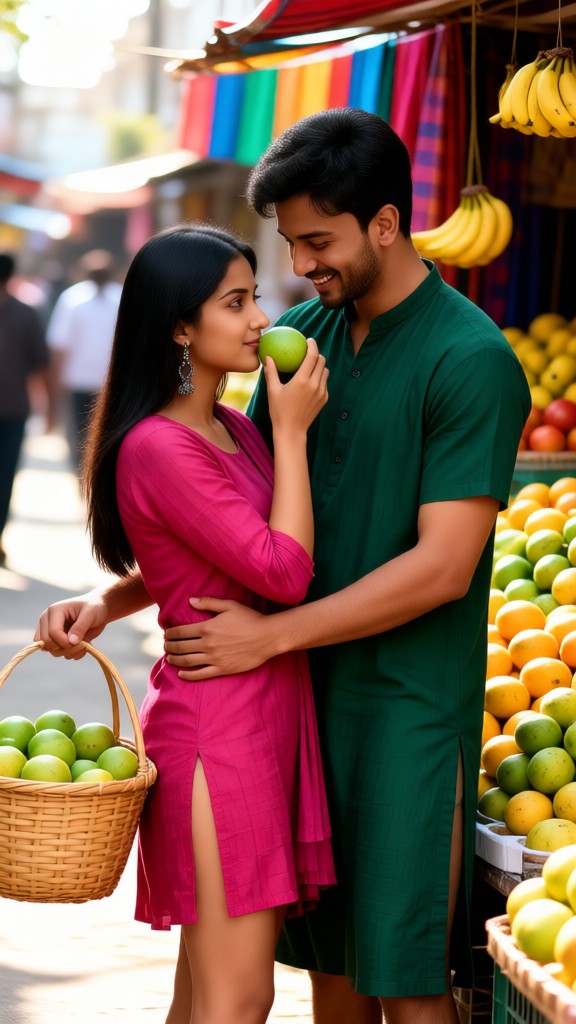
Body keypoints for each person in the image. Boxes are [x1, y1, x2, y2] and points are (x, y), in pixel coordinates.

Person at [35, 110, 531, 1024]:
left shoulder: (470, 361)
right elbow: (225, 523)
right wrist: (114, 596)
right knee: (327, 982)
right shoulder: (301, 336)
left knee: (409, 983)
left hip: (404, 715)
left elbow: (444, 569)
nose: (300, 268)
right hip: (289, 712)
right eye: (290, 244)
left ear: (386, 223)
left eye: (319, 241)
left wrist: (271, 636)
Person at [40, 222, 335, 1024]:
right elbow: (282, 569)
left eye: (255, 297)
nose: (258, 320)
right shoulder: (165, 446)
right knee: (239, 996)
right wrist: (297, 431)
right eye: (235, 302)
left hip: (261, 707)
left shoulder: (230, 427)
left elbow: (203, 556)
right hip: (219, 724)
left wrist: (110, 600)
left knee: (203, 995)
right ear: (179, 325)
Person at [0, 252, 54, 566]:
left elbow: (40, 362)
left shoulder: (24, 315)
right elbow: (43, 366)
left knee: (4, 477)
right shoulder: (27, 313)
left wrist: (49, 409)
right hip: (16, 409)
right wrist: (50, 409)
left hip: (12, 411)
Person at [46, 248, 122, 471]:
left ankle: (89, 482)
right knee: (89, 438)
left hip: (105, 383)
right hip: (88, 382)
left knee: (91, 437)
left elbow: (59, 345)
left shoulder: (74, 298)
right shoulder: (74, 299)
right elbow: (59, 345)